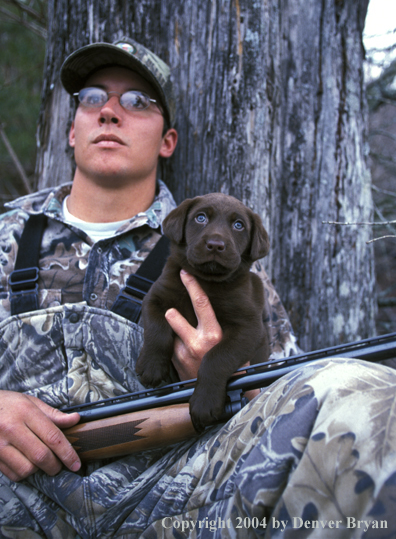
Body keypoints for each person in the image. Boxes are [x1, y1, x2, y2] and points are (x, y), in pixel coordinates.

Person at [0, 37, 395, 538]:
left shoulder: (226, 263)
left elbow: (285, 398)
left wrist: (231, 377)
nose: (110, 113)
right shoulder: (7, 235)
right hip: (15, 492)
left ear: (168, 140)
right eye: (93, 97)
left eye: (138, 101)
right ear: (71, 130)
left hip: (179, 497)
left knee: (360, 394)